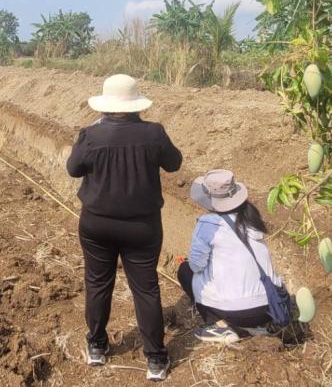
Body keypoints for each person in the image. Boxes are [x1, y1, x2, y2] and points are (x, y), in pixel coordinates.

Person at [66, 74, 182, 382]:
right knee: (145, 288)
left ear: (105, 105)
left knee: (97, 282)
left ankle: (96, 347)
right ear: (135, 105)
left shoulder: (90, 135)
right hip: (142, 227)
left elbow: (72, 169)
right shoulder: (154, 133)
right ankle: (156, 360)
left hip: (96, 225)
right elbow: (174, 163)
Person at [179, 169, 282, 344]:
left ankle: (220, 326)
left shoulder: (208, 225)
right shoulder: (252, 219)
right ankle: (255, 327)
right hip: (268, 308)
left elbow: (196, 266)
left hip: (235, 311)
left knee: (185, 271)